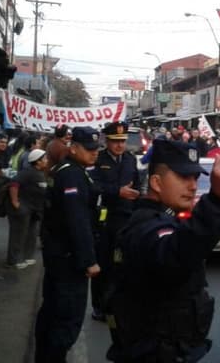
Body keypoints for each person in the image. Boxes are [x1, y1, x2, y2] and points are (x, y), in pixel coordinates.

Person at [105, 139, 220, 362]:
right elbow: (175, 253)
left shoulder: (161, 219)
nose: (192, 186)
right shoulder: (148, 227)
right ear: (156, 183)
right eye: (183, 177)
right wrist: (217, 202)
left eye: (195, 178)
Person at [35, 127, 101, 363]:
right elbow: (77, 220)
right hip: (68, 258)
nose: (94, 153)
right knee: (65, 318)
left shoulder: (72, 170)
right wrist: (89, 260)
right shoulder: (72, 175)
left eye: (96, 149)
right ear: (73, 148)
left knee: (52, 312)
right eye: (89, 149)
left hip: (59, 254)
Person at [89, 121, 140, 323]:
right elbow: (93, 186)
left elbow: (136, 184)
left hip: (126, 219)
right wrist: (117, 191)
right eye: (115, 141)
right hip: (104, 220)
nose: (119, 145)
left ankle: (116, 305)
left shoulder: (129, 159)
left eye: (122, 141)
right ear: (106, 141)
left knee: (122, 265)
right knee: (103, 265)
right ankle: (99, 307)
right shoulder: (97, 159)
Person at [8, 148, 50, 270]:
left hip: (35, 210)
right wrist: (15, 202)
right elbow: (14, 184)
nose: (47, 161)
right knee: (18, 234)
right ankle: (14, 260)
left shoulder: (40, 173)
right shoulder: (27, 172)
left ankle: (27, 256)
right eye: (44, 159)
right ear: (38, 162)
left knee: (31, 234)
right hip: (24, 209)